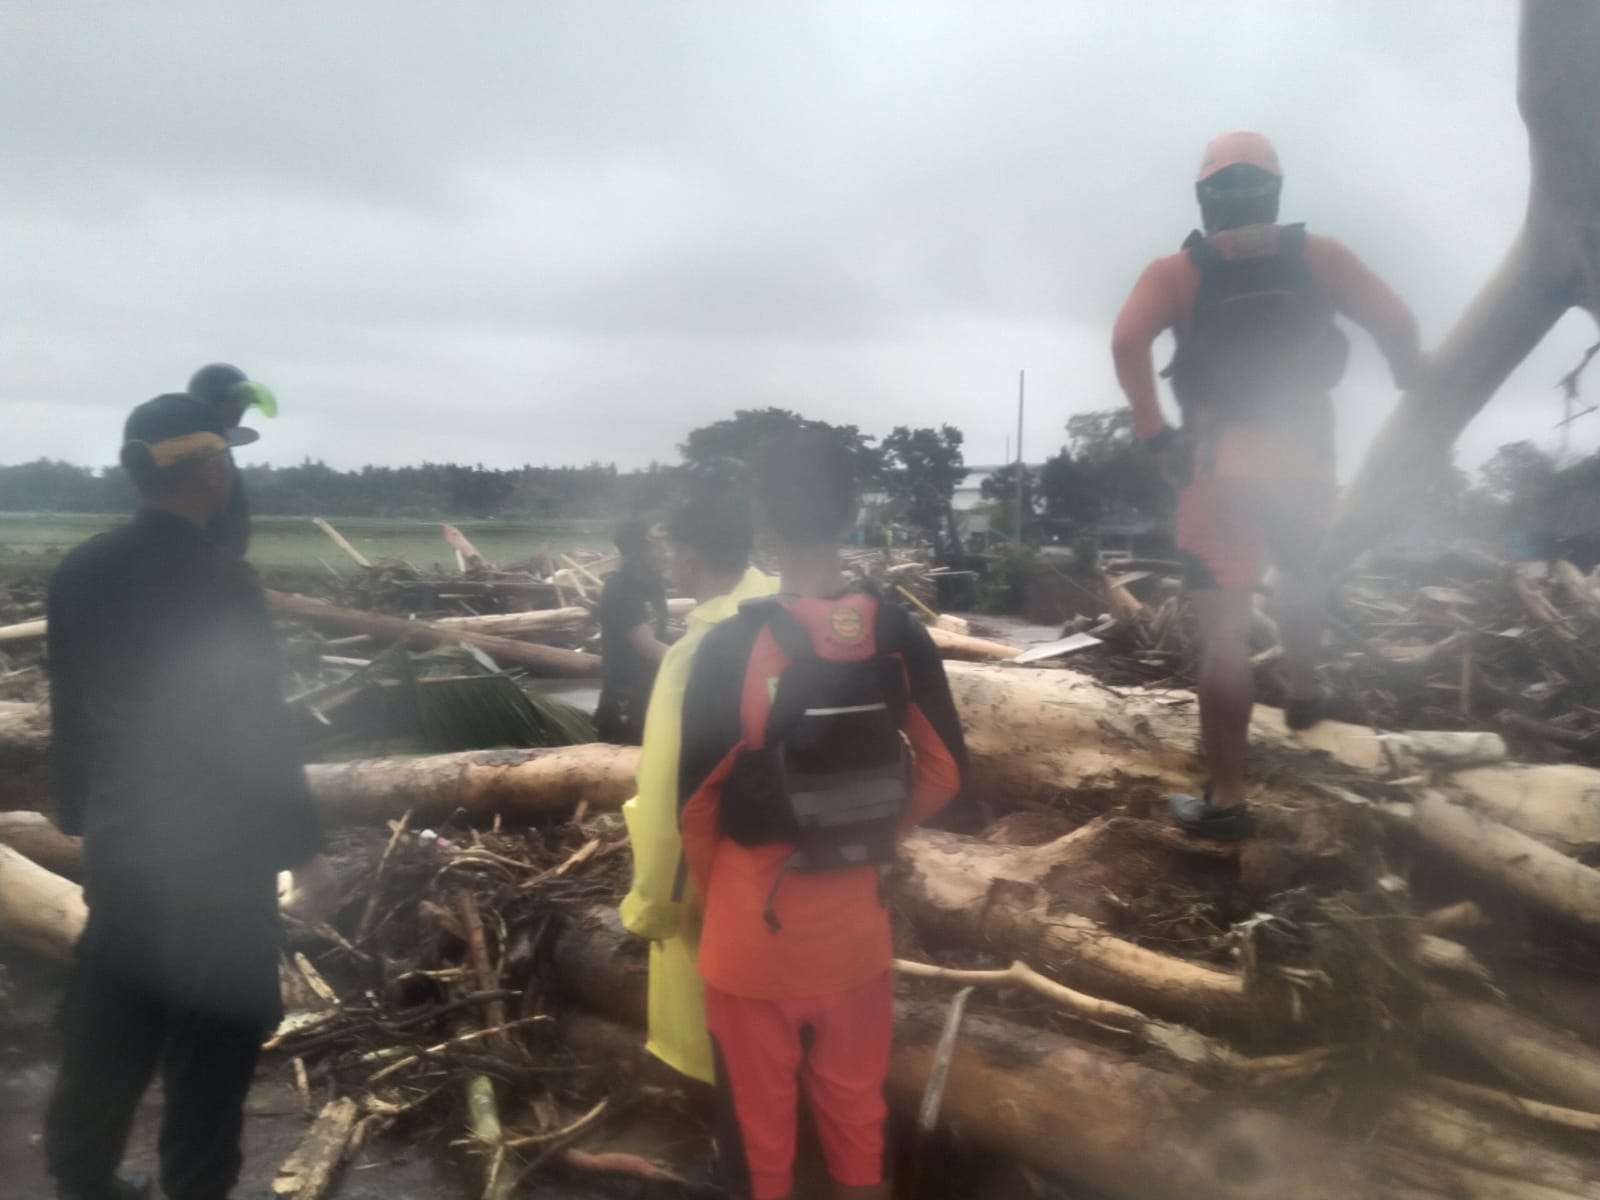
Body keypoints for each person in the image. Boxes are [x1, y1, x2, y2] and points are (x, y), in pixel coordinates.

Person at [44, 393, 335, 1200]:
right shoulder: (220, 580)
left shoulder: (82, 569)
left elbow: (71, 713)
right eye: (227, 458)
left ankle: (83, 1177)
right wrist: (306, 850)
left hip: (125, 839)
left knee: (113, 1013)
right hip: (214, 855)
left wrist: (82, 818)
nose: (232, 473)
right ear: (207, 470)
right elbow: (259, 728)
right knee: (213, 1039)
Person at [1112, 130, 1425, 839]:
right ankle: (1308, 690)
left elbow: (1125, 341)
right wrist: (1409, 373)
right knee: (1302, 572)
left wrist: (1153, 430)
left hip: (1218, 470)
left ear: (1205, 197)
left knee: (1224, 640)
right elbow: (1398, 323)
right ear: (1274, 191)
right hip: (1306, 461)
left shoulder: (1175, 272)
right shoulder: (1320, 257)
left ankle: (1226, 798)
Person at [678, 432, 967, 1200]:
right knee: (855, 1123)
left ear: (766, 528)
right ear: (851, 516)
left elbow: (696, 804)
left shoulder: (729, 646)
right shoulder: (897, 633)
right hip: (855, 936)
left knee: (760, 1149)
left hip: (751, 937)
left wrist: (720, 903)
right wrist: (871, 836)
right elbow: (944, 774)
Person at [619, 492, 778, 1086]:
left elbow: (666, 804)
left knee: (736, 1062)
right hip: (818, 886)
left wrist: (652, 907)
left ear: (688, 554)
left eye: (670, 549)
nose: (666, 562)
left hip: (727, 889)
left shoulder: (696, 653)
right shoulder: (798, 618)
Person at [186, 363, 280, 558]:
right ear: (212, 403)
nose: (241, 410)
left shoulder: (221, 454)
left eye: (244, 404)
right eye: (236, 402)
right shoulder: (195, 459)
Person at [595, 518, 671, 744]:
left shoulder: (654, 584)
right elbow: (645, 645)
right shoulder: (620, 588)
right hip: (625, 702)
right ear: (636, 550)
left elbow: (659, 632)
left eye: (664, 545)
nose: (664, 552)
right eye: (655, 546)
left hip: (653, 694)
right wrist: (695, 660)